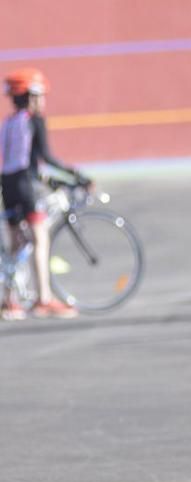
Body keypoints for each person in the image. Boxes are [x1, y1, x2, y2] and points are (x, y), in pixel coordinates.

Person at [1, 67, 86, 320]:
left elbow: (19, 162)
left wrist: (49, 180)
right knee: (40, 240)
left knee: (16, 243)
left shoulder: (8, 123)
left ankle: (10, 301)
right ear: (32, 96)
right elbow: (44, 158)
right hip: (27, 188)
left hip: (8, 184)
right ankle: (43, 299)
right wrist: (76, 175)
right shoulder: (34, 121)